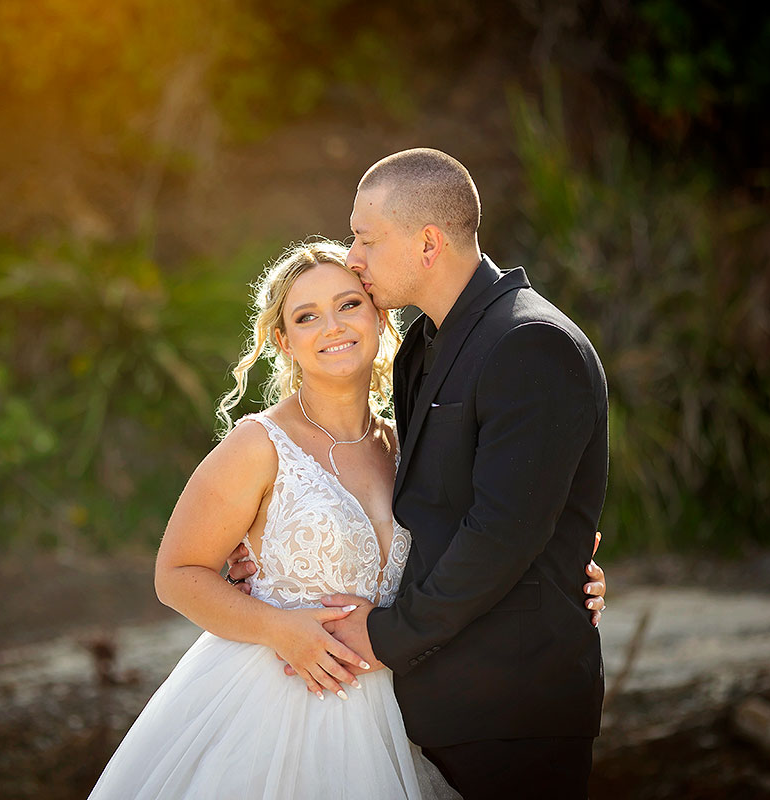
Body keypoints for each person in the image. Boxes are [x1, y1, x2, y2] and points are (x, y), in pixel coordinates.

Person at [88, 238, 606, 799]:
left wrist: (568, 574)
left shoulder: (406, 446)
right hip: (275, 705)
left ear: (379, 317)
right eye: (306, 317)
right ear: (284, 342)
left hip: (394, 710)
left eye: (348, 304)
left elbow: (485, 536)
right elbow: (177, 573)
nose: (332, 326)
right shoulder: (259, 444)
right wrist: (280, 628)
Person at [236, 148, 609, 799]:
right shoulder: (424, 346)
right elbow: (419, 506)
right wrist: (269, 554)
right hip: (435, 701)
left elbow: (501, 534)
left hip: (513, 710)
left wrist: (381, 637)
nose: (354, 255)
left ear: (429, 243)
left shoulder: (530, 344)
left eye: (366, 238)